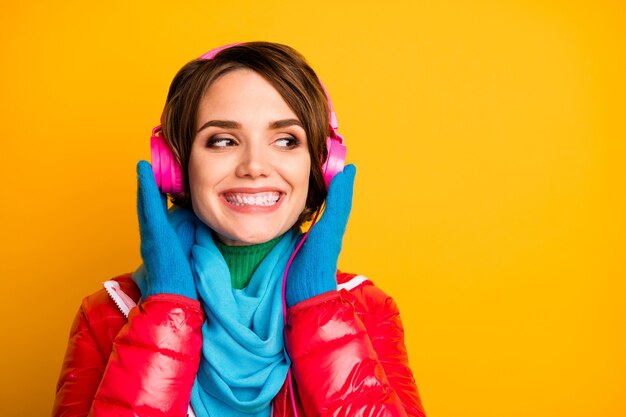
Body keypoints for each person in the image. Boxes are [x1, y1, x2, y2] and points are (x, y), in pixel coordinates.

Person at [52, 41, 426, 417]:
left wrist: (319, 309)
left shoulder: (368, 311)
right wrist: (167, 310)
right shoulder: (105, 316)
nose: (254, 166)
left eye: (285, 140)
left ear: (321, 166)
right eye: (223, 140)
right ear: (177, 166)